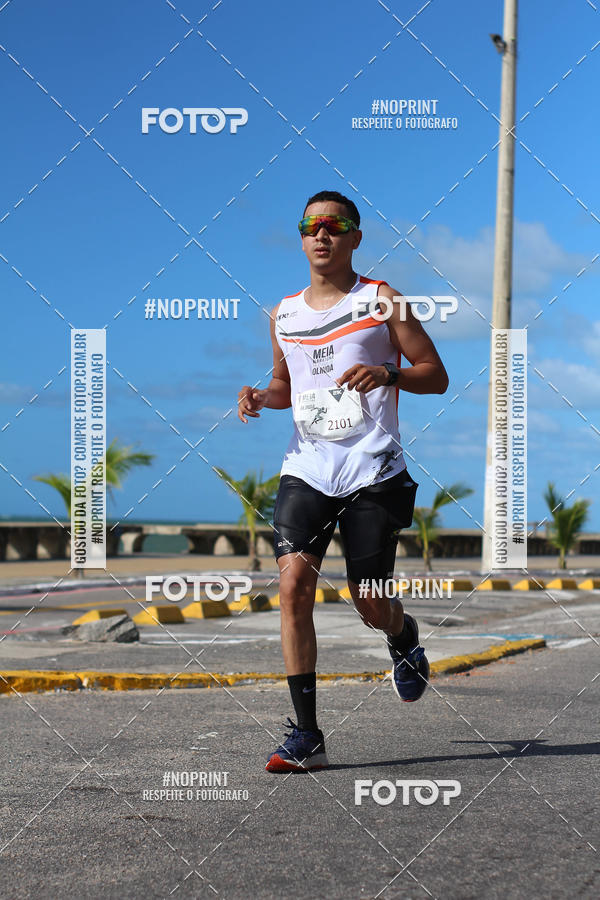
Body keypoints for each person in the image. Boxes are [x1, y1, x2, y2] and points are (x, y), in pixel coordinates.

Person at [237, 190, 449, 773]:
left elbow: (435, 375)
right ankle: (307, 734)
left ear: (355, 236)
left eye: (334, 225)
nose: (321, 234)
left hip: (373, 472)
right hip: (307, 468)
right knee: (292, 588)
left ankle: (402, 636)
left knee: (369, 601)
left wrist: (387, 373)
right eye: (310, 226)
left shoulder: (382, 300)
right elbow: (287, 387)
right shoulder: (284, 314)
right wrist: (260, 397)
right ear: (302, 238)